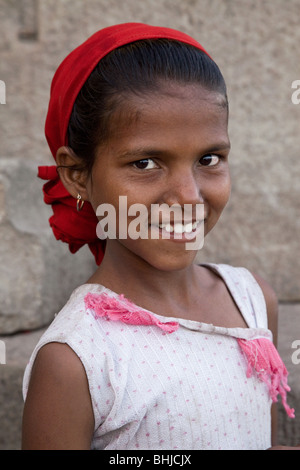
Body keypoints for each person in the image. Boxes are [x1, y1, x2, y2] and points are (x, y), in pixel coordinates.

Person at [22, 22, 297, 450]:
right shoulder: (78, 356)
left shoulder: (253, 301)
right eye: (146, 163)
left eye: (209, 158)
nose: (189, 196)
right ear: (78, 175)